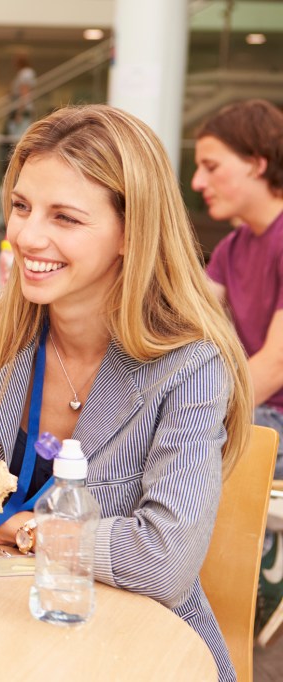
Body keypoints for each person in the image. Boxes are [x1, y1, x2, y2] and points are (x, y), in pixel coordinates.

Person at [0, 104, 252, 680]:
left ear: (131, 232)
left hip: (129, 654)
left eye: (65, 217)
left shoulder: (187, 366)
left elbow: (164, 559)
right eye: (21, 206)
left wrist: (20, 528)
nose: (26, 235)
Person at [192, 98, 283, 647]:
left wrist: (194, 408)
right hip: (256, 408)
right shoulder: (233, 246)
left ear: (257, 162)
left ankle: (226, 613)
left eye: (212, 165)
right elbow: (185, 321)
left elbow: (274, 363)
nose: (199, 180)